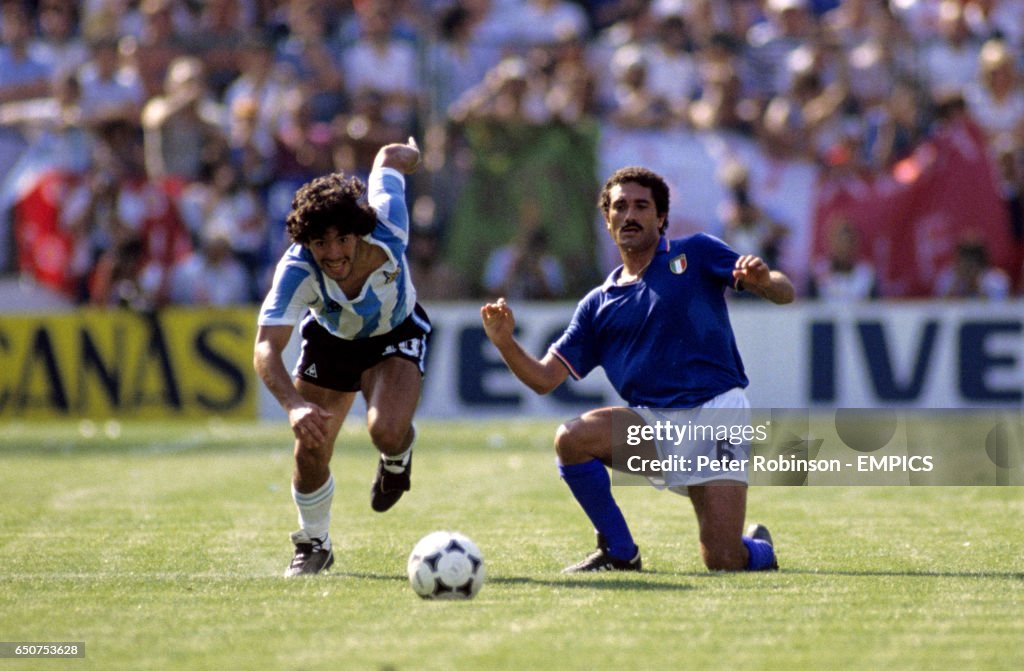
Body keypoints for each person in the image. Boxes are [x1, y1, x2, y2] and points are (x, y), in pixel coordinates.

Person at [481, 166, 794, 573]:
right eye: (619, 207)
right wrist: (505, 342)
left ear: (661, 218)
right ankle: (619, 551)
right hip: (653, 424)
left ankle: (758, 550)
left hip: (716, 414)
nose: (629, 215)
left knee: (723, 560)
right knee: (571, 439)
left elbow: (784, 292)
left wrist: (764, 280)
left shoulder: (695, 253)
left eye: (641, 206)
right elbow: (543, 380)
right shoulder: (597, 304)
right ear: (607, 220)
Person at [254, 137, 429, 577]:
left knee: (387, 431)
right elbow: (265, 346)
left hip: (395, 332)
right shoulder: (297, 271)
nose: (333, 254)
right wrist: (293, 406)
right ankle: (314, 542)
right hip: (331, 340)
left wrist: (413, 155)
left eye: (342, 239)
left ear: (359, 231)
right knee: (310, 446)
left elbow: (387, 159)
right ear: (304, 242)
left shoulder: (389, 225)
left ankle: (396, 459)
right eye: (319, 243)